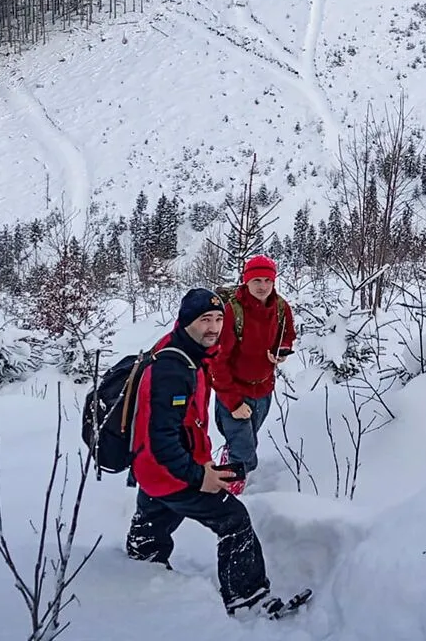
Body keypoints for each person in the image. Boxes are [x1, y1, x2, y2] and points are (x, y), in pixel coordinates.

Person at [125, 287, 276, 616]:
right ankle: (247, 599)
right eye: (204, 319)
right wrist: (199, 475)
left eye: (219, 319)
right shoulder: (173, 368)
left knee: (156, 519)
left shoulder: (188, 352)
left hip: (153, 469)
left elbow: (187, 422)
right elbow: (162, 439)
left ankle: (139, 564)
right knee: (235, 520)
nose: (213, 327)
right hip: (168, 470)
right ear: (185, 321)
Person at [210, 254, 296, 494]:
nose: (262, 286)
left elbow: (288, 333)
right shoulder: (232, 312)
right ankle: (229, 491)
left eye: (267, 280)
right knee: (245, 451)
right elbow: (218, 362)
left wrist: (283, 351)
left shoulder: (280, 307)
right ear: (246, 281)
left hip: (264, 389)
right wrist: (233, 401)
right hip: (234, 389)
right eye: (256, 280)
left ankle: (232, 459)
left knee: (248, 439)